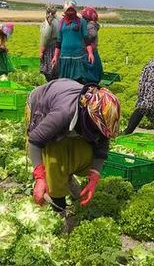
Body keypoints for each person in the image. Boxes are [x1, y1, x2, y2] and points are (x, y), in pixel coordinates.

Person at [25, 78, 121, 212]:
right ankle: (58, 203)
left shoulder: (99, 115)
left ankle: (66, 176)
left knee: (83, 154)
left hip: (65, 97)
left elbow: (102, 142)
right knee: (54, 158)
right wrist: (40, 177)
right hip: (42, 104)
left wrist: (94, 176)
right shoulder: (63, 114)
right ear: (88, 117)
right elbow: (35, 141)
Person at [51, 0, 94, 83]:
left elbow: (86, 39)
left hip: (78, 56)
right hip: (64, 57)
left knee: (78, 80)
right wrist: (55, 56)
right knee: (64, 81)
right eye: (68, 10)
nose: (70, 12)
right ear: (65, 10)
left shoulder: (81, 22)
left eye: (72, 10)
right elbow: (59, 42)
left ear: (75, 10)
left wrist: (90, 53)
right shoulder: (61, 22)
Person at [80, 6, 104, 84]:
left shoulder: (90, 25)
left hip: (88, 53)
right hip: (92, 52)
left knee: (89, 76)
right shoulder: (92, 25)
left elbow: (92, 35)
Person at [39, 4, 60, 82]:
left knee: (49, 69)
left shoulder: (49, 21)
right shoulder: (58, 19)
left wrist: (41, 51)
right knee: (56, 67)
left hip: (50, 46)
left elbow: (45, 36)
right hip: (58, 45)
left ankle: (51, 83)